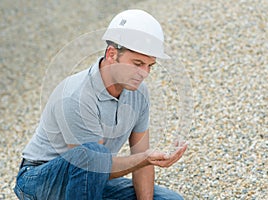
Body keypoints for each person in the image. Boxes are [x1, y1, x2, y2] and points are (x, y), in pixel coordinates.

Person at [14, 9, 188, 200]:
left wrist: (145, 161)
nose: (144, 73)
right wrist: (144, 158)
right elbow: (91, 164)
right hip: (39, 179)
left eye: (149, 66)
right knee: (94, 154)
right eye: (137, 64)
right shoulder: (75, 95)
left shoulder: (139, 93)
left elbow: (140, 160)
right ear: (112, 54)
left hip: (93, 179)